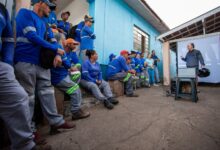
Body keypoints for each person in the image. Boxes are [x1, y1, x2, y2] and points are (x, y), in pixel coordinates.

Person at [14, 0, 75, 137]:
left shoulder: (46, 23)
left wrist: (57, 54)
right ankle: (29, 133)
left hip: (42, 63)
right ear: (40, 3)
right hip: (25, 60)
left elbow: (53, 40)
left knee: (47, 92)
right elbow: (32, 36)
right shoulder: (25, 14)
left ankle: (56, 122)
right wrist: (55, 49)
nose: (51, 10)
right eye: (49, 6)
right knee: (28, 97)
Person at [0, 3, 37, 150]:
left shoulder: (2, 9)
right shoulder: (25, 14)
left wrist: (8, 63)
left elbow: (8, 38)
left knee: (19, 97)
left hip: (3, 66)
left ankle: (25, 145)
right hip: (26, 60)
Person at [51, 38, 90, 120]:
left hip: (65, 74)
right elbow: (65, 64)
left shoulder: (72, 53)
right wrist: (70, 67)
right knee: (76, 89)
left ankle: (73, 99)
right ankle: (75, 112)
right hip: (58, 77)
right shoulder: (60, 51)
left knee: (77, 74)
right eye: (73, 44)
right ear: (68, 44)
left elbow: (77, 63)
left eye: (76, 44)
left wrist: (72, 67)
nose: (75, 46)